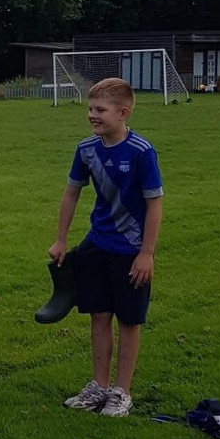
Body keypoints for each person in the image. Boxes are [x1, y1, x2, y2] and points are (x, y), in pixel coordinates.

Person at [49, 77, 163, 417]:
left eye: (100, 110)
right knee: (98, 315)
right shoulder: (86, 150)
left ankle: (121, 392)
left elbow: (154, 204)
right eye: (90, 108)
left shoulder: (142, 152)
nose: (91, 115)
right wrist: (61, 238)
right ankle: (99, 386)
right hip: (97, 245)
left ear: (123, 113)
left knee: (129, 320)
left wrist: (147, 253)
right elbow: (71, 193)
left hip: (131, 251)